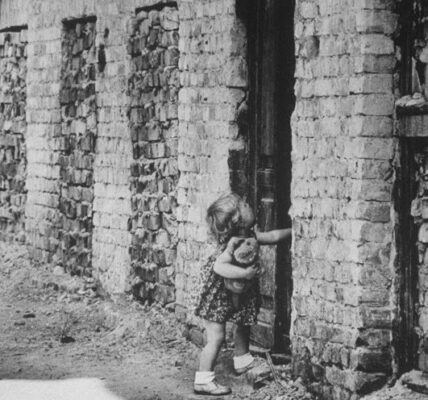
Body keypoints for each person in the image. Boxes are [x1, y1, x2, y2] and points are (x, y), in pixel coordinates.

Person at [193, 192, 292, 395]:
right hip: (218, 295)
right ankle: (203, 379)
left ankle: (242, 360)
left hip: (238, 292)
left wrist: (293, 230)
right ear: (237, 218)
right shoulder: (233, 242)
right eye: (245, 204)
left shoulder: (250, 236)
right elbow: (219, 267)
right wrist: (245, 273)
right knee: (216, 337)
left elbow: (271, 236)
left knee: (243, 323)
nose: (250, 205)